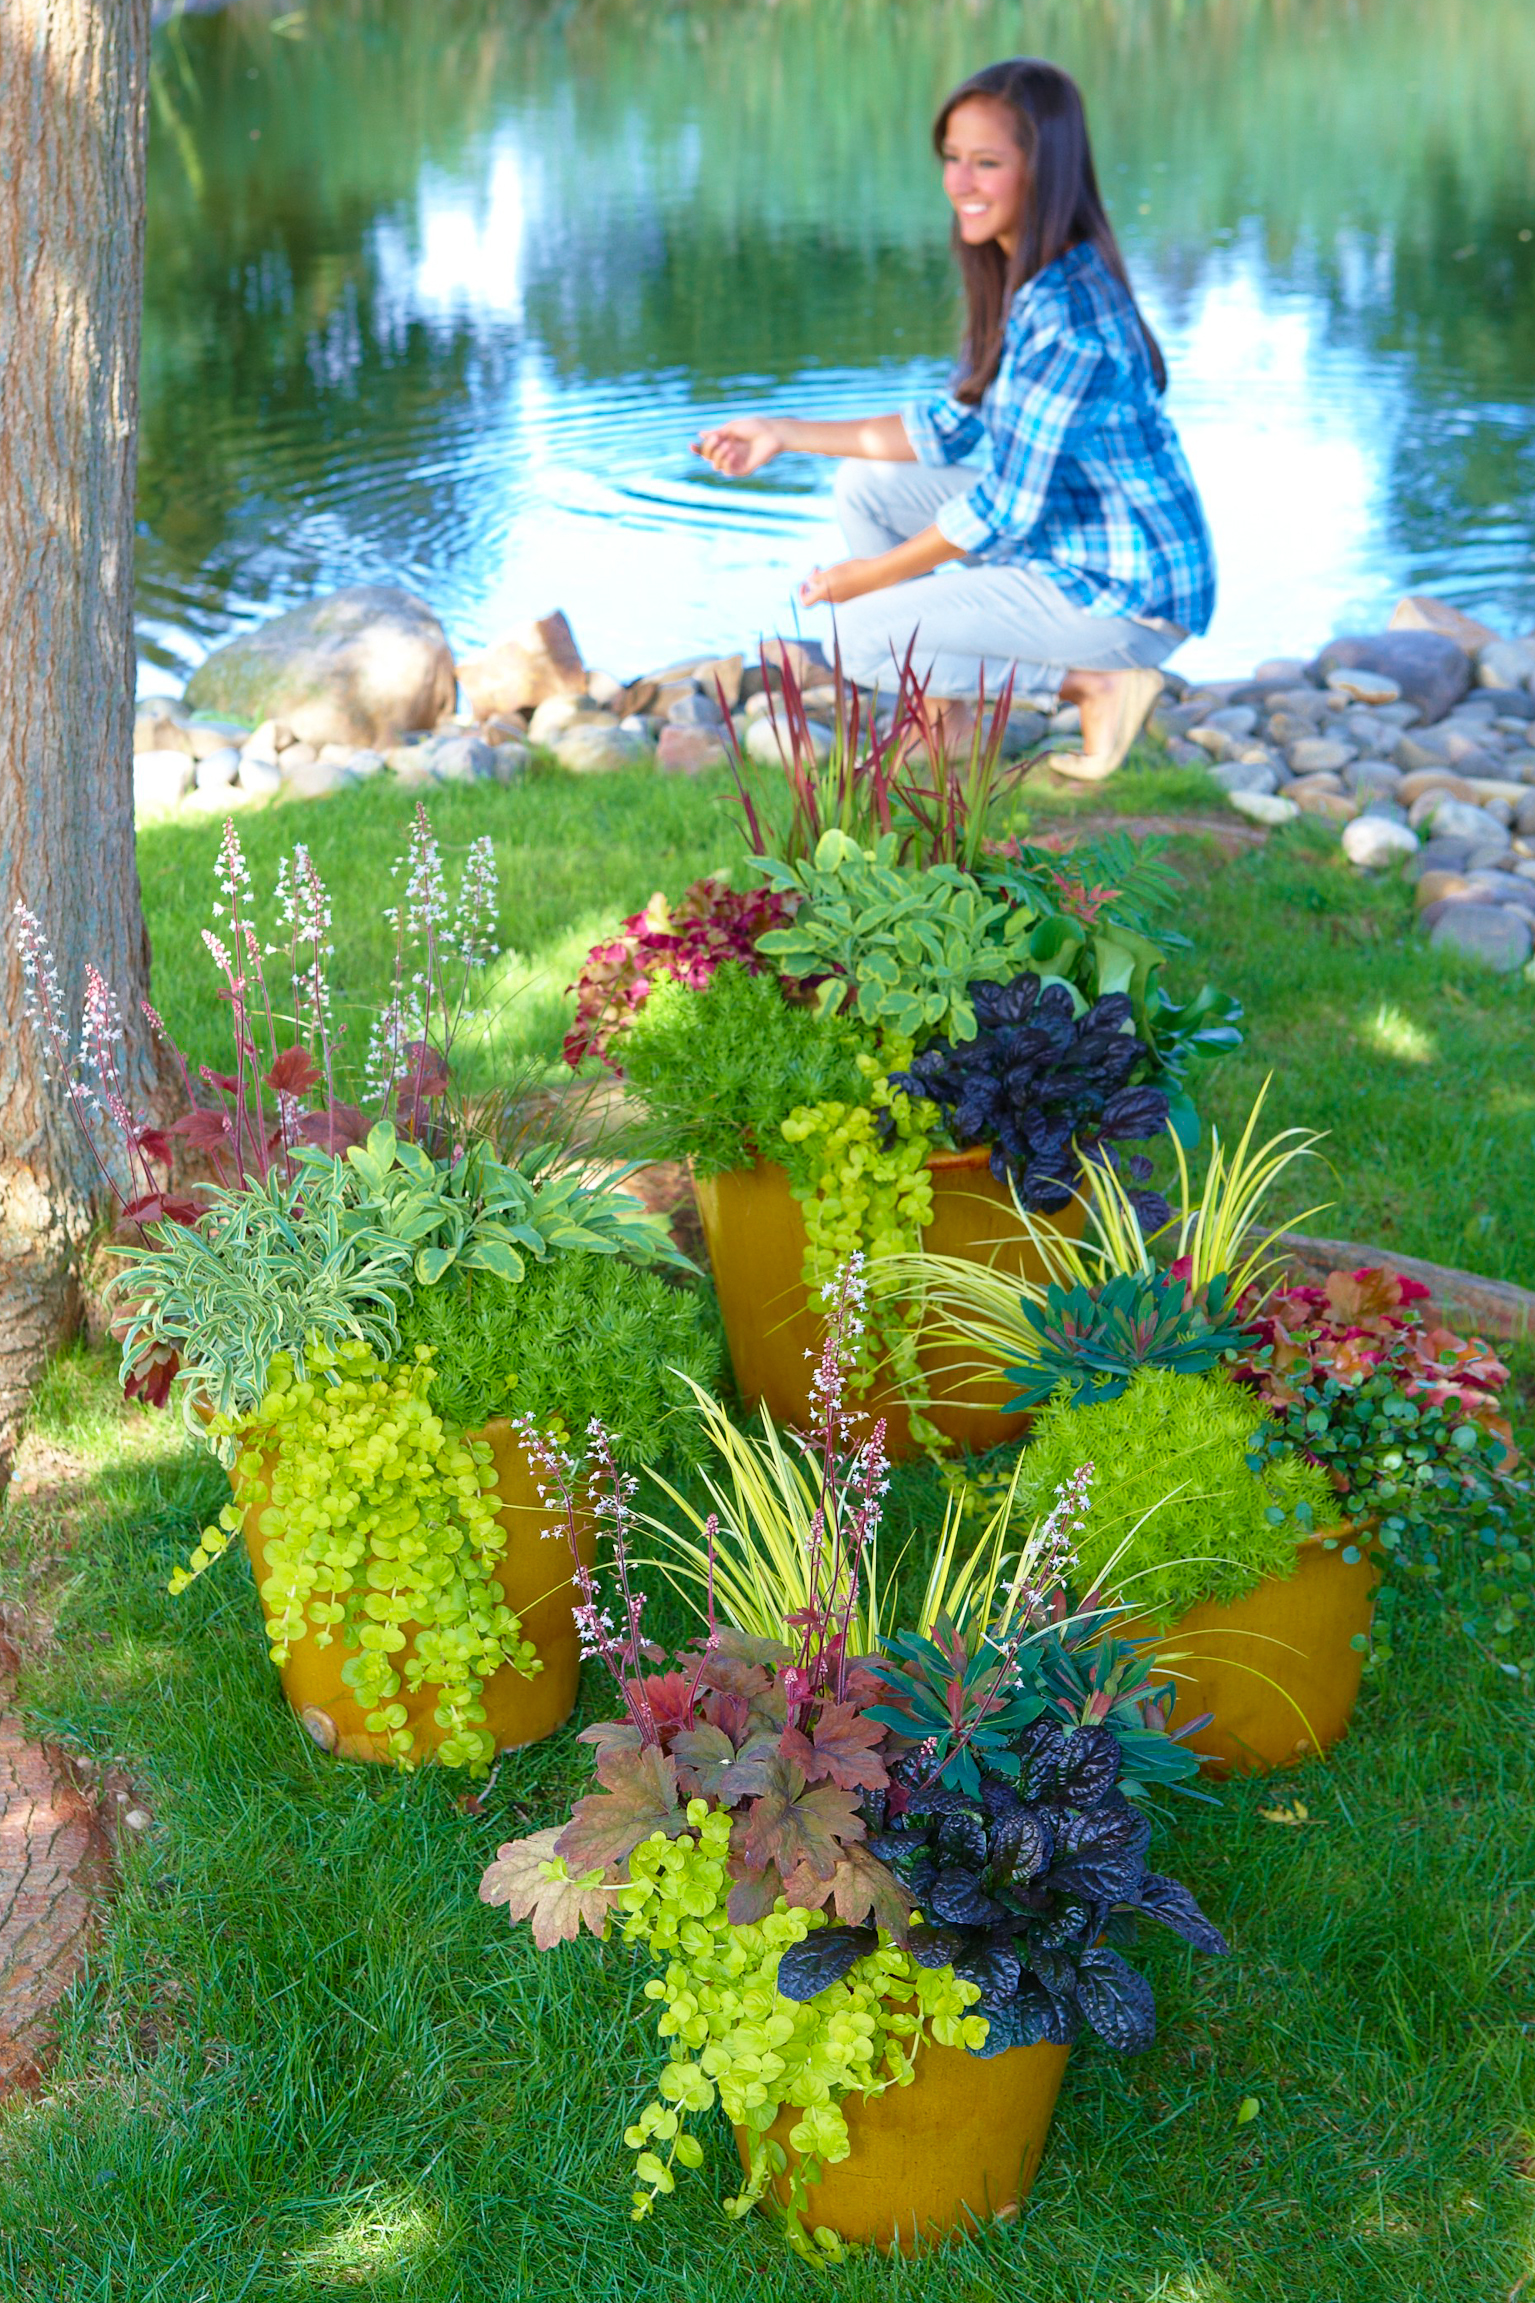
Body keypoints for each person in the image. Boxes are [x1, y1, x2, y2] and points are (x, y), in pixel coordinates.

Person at [692, 57, 1215, 781]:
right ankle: (946, 717)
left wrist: (869, 576)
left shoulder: (1069, 321)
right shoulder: (1027, 280)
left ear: (1044, 171)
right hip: (1075, 545)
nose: (959, 184)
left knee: (864, 639)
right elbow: (946, 428)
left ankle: (1094, 683)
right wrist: (781, 432)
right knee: (867, 486)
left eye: (986, 163)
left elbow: (1004, 508)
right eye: (952, 159)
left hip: (1127, 595)